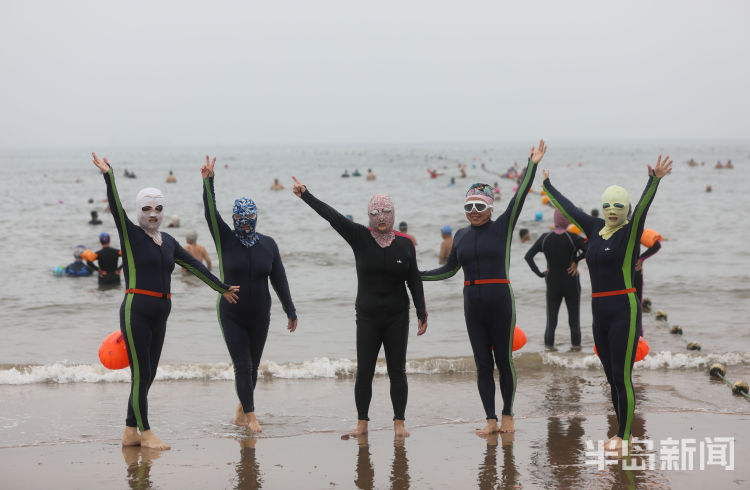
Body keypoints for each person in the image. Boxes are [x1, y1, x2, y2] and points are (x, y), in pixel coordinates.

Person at [91, 152, 239, 450]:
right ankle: (145, 433)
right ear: (139, 210)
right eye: (147, 208)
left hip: (161, 314)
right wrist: (109, 175)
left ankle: (130, 431)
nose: (154, 213)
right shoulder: (131, 235)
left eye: (158, 208)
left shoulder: (169, 241)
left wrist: (221, 288)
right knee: (140, 374)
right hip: (136, 310)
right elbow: (116, 209)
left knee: (150, 374)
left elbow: (195, 266)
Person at [541, 154, 672, 453]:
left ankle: (623, 437)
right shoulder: (593, 228)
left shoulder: (630, 230)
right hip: (598, 311)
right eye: (608, 205)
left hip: (623, 308)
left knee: (622, 374)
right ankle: (618, 431)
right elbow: (570, 209)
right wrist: (547, 184)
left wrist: (654, 180)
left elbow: (642, 208)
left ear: (625, 209)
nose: (613, 211)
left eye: (618, 206)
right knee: (610, 376)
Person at [421, 139, 547, 435]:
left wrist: (532, 165)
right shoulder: (461, 236)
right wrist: (417, 276)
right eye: (469, 206)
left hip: (500, 299)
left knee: (503, 361)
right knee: (482, 363)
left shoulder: (502, 227)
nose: (474, 210)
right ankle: (490, 420)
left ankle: (508, 416)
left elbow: (519, 197)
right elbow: (449, 270)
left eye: (479, 205)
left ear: (490, 207)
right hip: (472, 304)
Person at [291, 176, 427, 438]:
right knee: (364, 370)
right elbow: (333, 217)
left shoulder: (406, 243)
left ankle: (399, 423)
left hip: (398, 315)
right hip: (367, 316)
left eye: (386, 211)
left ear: (393, 212)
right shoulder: (359, 237)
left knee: (397, 370)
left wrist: (422, 311)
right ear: (369, 215)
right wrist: (306, 195)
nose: (381, 217)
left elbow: (414, 280)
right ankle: (362, 424)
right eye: (375, 213)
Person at [201, 156, 297, 432]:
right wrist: (209, 181)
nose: (244, 223)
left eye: (249, 219)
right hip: (232, 314)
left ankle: (242, 408)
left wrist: (290, 310)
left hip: (260, 315)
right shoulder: (225, 239)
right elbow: (210, 212)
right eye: (240, 219)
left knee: (253, 367)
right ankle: (251, 416)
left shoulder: (268, 245)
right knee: (242, 365)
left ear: (256, 217)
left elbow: (279, 278)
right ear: (234, 219)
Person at [524, 210, 587, 349]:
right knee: (574, 320)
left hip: (552, 282)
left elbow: (528, 257)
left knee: (551, 321)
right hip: (571, 281)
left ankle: (549, 351)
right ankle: (576, 351)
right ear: (567, 220)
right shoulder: (573, 238)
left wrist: (540, 274)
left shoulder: (545, 238)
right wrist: (576, 260)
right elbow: (590, 249)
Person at [634, 230, 662, 305]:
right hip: (632, 271)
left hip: (632, 270)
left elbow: (656, 245)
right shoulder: (634, 228)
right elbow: (657, 246)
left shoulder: (635, 229)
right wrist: (640, 259)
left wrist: (640, 259)